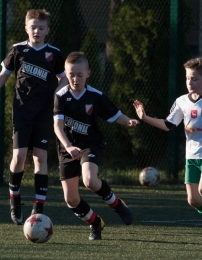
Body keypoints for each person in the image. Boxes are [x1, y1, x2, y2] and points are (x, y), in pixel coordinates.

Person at [133, 57, 202, 242]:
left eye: (195, 79)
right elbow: (168, 124)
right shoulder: (181, 102)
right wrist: (145, 117)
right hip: (192, 156)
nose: (190, 82)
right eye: (188, 78)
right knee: (194, 200)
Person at [0, 9, 68, 225]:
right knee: (19, 157)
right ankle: (15, 199)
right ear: (26, 28)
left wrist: (57, 96)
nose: (36, 30)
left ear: (47, 30)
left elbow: (64, 79)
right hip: (21, 111)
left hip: (44, 112)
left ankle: (38, 208)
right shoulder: (17, 50)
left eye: (41, 27)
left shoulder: (54, 54)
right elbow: (3, 76)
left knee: (40, 157)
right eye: (33, 27)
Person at [53, 52, 139, 240]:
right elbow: (57, 127)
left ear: (88, 74)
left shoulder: (96, 96)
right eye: (71, 75)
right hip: (67, 147)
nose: (75, 79)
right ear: (65, 74)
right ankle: (95, 222)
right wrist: (68, 147)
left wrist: (129, 122)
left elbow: (116, 115)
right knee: (71, 199)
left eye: (79, 75)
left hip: (91, 144)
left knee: (90, 180)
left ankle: (117, 205)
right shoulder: (60, 96)